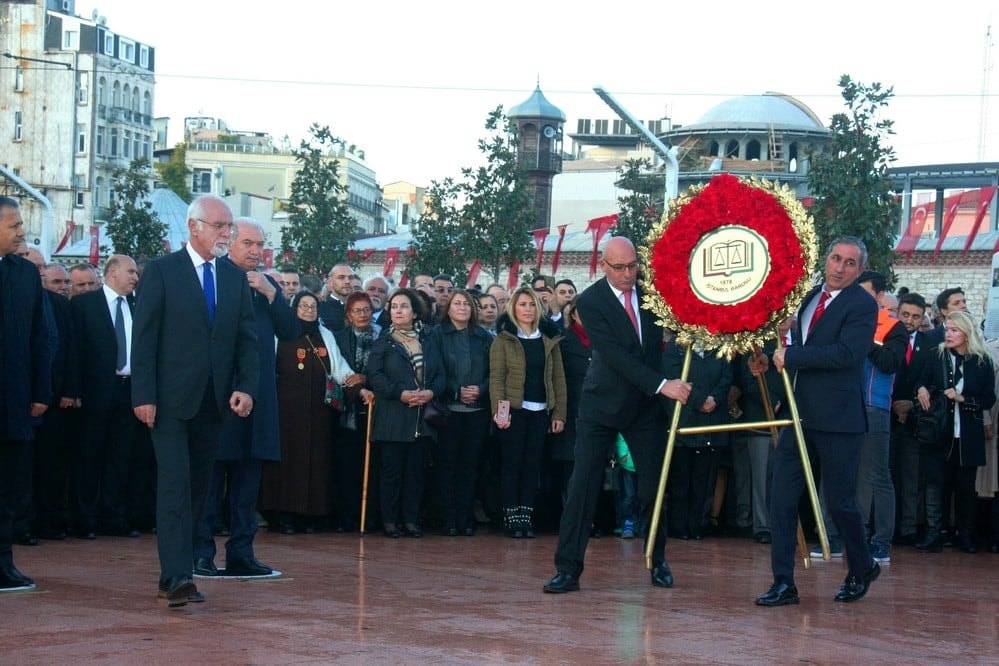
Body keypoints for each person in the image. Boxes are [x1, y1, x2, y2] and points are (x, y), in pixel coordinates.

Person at [131, 193, 259, 608]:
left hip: (214, 402)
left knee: (198, 489)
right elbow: (145, 337)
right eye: (220, 226)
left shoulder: (234, 278)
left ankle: (181, 568)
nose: (227, 234)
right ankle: (176, 577)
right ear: (194, 226)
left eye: (229, 228)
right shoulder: (162, 271)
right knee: (174, 484)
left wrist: (245, 386)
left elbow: (246, 341)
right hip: (167, 402)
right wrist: (144, 394)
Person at [544, 237, 692, 593]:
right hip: (602, 404)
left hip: (644, 407)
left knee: (653, 486)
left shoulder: (651, 295)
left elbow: (669, 336)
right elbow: (614, 355)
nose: (628, 274)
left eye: (632, 266)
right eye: (620, 268)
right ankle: (568, 568)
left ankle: (657, 561)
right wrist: (662, 384)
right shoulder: (592, 301)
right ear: (604, 266)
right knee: (584, 483)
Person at [756, 236, 880, 607]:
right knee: (781, 498)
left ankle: (861, 566)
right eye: (836, 259)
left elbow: (847, 354)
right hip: (798, 417)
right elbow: (792, 345)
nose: (840, 268)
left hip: (839, 421)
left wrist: (791, 356)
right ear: (826, 259)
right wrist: (770, 358)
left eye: (850, 263)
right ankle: (783, 582)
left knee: (840, 502)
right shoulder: (810, 296)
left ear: (859, 270)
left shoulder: (862, 305)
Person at [193, 219, 298, 578]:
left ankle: (242, 551)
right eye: (248, 244)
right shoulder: (214, 276)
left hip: (261, 394)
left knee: (249, 477)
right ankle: (200, 553)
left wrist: (273, 293)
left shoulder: (264, 283)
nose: (256, 251)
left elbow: (290, 332)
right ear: (230, 243)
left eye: (260, 245)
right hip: (223, 394)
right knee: (212, 477)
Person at [261, 291, 353, 534]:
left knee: (317, 462)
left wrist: (357, 385)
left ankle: (311, 514)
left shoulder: (326, 335)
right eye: (303, 305)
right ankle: (283, 514)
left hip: (320, 414)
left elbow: (339, 368)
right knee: (288, 462)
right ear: (294, 308)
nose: (309, 310)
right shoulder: (279, 334)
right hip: (286, 412)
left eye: (313, 306)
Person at [72, 255, 147, 540]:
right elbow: (75, 350)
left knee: (121, 456)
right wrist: (73, 389)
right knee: (90, 455)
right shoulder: (84, 304)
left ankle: (113, 516)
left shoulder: (138, 306)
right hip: (95, 391)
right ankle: (84, 519)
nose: (135, 277)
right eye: (130, 272)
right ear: (112, 272)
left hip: (130, 390)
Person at [0, 197, 53, 590]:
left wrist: (40, 389)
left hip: (15, 398)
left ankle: (4, 560)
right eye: (14, 225)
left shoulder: (23, 274)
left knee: (9, 485)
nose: (22, 231)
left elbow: (41, 335)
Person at [915, 310, 996, 553]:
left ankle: (966, 534)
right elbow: (920, 380)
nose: (948, 334)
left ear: (967, 333)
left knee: (965, 487)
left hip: (967, 434)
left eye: (954, 330)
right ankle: (934, 532)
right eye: (947, 329)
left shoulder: (982, 361)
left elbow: (988, 398)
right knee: (936, 484)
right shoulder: (936, 356)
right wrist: (921, 389)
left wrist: (964, 398)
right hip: (940, 431)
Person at [367, 288, 444, 538]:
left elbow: (441, 374)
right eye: (394, 306)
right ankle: (389, 520)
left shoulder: (428, 340)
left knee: (415, 473)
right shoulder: (383, 342)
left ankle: (411, 519)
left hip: (422, 418)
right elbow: (375, 376)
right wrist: (399, 393)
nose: (398, 311)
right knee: (391, 473)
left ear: (414, 312)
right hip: (393, 416)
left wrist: (431, 392)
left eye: (404, 306)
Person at [490, 286, 567, 538]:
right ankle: (511, 517)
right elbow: (497, 378)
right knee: (512, 464)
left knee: (532, 465)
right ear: (513, 308)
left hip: (540, 410)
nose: (527, 309)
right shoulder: (503, 339)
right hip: (514, 411)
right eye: (522, 304)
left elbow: (558, 378)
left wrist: (558, 414)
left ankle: (526, 516)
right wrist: (501, 414)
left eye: (532, 304)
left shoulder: (549, 339)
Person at [428, 289, 492, 536]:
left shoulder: (484, 337)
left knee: (470, 466)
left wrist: (481, 389)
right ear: (449, 307)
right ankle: (448, 518)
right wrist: (456, 391)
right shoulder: (437, 335)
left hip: (477, 411)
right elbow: (436, 370)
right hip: (448, 411)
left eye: (467, 303)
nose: (463, 307)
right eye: (457, 303)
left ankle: (465, 518)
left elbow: (494, 371)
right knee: (447, 465)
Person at [662, 340, 732, 540]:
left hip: (713, 421)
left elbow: (726, 378)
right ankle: (678, 527)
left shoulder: (720, 347)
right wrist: (699, 400)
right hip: (685, 420)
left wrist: (714, 399)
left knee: (705, 479)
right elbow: (673, 377)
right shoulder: (676, 348)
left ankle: (697, 526)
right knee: (680, 480)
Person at [331, 291, 380, 532]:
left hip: (377, 408)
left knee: (373, 467)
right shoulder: (338, 338)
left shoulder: (383, 337)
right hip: (347, 411)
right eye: (357, 310)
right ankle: (346, 516)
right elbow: (337, 370)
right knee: (347, 466)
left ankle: (370, 517)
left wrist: (367, 379)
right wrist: (355, 384)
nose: (363, 314)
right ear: (348, 315)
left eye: (366, 310)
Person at [318, 264, 354, 332]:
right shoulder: (320, 309)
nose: (347, 281)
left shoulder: (362, 308)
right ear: (330, 282)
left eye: (351, 277)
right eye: (341, 277)